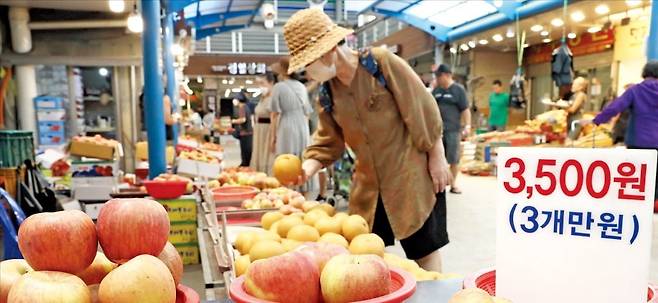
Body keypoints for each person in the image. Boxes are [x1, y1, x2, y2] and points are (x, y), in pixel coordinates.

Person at [284, 8, 450, 271]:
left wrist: (437, 157)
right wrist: (306, 169)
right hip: (368, 188)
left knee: (425, 250)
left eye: (309, 62)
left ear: (327, 51)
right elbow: (328, 142)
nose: (308, 70)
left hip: (410, 176)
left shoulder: (380, 64)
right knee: (367, 258)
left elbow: (422, 107)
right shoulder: (327, 94)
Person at [586, 61, 658, 202]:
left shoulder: (635, 90)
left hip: (638, 140)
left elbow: (615, 107)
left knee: (638, 174)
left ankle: (638, 202)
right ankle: (655, 201)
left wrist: (597, 120)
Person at [269, 57, 316, 194]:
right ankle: (303, 192)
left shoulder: (278, 87)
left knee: (285, 160)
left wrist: (273, 138)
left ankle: (286, 193)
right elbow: (307, 112)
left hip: (286, 125)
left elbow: (274, 114)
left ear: (282, 72)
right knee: (301, 159)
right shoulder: (301, 86)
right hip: (302, 125)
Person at [433, 64, 470, 195]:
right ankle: (438, 184)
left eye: (439, 76)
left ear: (447, 75)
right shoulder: (436, 91)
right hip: (437, 131)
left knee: (453, 159)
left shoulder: (458, 90)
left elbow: (465, 109)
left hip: (453, 130)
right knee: (437, 157)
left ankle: (453, 185)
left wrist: (467, 126)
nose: (437, 78)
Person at [250, 72, 276, 175]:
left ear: (271, 82)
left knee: (267, 155)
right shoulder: (262, 98)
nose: (260, 86)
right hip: (259, 130)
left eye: (262, 83)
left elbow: (274, 117)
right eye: (258, 84)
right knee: (259, 154)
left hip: (268, 130)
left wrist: (274, 138)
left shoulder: (274, 98)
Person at [232, 91, 253, 167]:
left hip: (245, 134)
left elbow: (243, 119)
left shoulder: (242, 107)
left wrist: (233, 121)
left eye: (235, 99)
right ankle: (245, 165)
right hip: (248, 133)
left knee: (245, 152)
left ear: (239, 99)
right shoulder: (245, 107)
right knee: (246, 152)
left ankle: (245, 166)